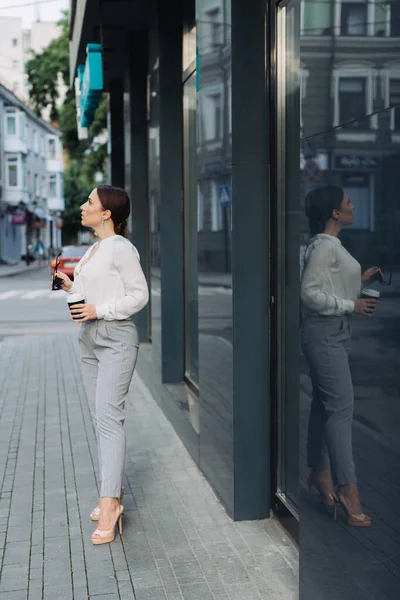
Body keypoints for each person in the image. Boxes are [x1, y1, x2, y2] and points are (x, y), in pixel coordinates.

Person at [55, 185, 149, 544]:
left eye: (90, 202)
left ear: (107, 213)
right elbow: (93, 293)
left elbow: (138, 294)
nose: (83, 206)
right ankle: (112, 490)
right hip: (90, 339)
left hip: (115, 339)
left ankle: (110, 503)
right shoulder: (95, 248)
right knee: (100, 419)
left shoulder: (122, 248)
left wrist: (100, 310)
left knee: (109, 419)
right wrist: (70, 287)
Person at [301, 185, 381, 527]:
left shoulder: (328, 245)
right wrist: (352, 303)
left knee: (325, 404)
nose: (351, 205)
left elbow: (326, 284)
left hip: (333, 334)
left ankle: (320, 473)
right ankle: (348, 492)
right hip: (325, 335)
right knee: (340, 410)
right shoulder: (323, 246)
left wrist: (356, 282)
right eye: (347, 202)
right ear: (335, 213)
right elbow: (309, 292)